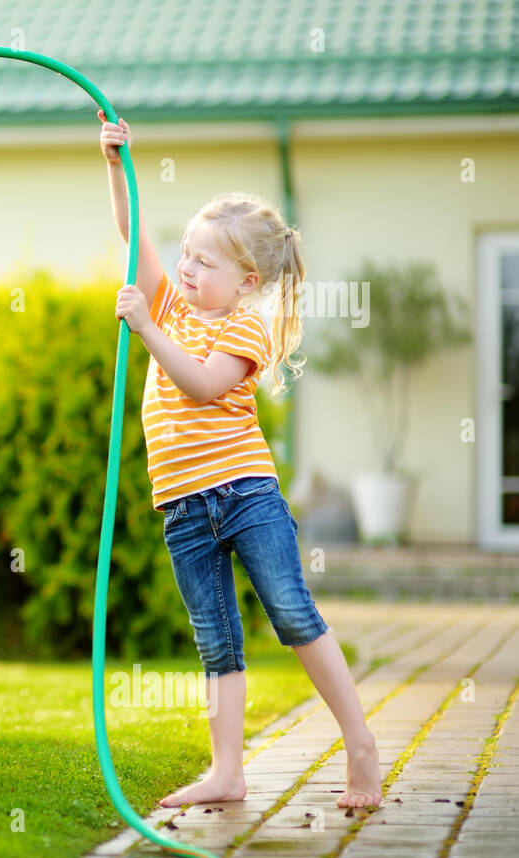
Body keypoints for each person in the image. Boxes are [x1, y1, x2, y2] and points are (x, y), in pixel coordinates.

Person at [97, 110, 381, 809]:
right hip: (184, 507)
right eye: (186, 253)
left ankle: (362, 747)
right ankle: (227, 773)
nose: (186, 267)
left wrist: (143, 328)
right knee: (215, 640)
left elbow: (199, 385)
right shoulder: (174, 302)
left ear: (247, 280)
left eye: (203, 260)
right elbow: (134, 236)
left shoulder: (244, 325)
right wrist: (114, 164)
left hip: (244, 496)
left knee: (290, 611)